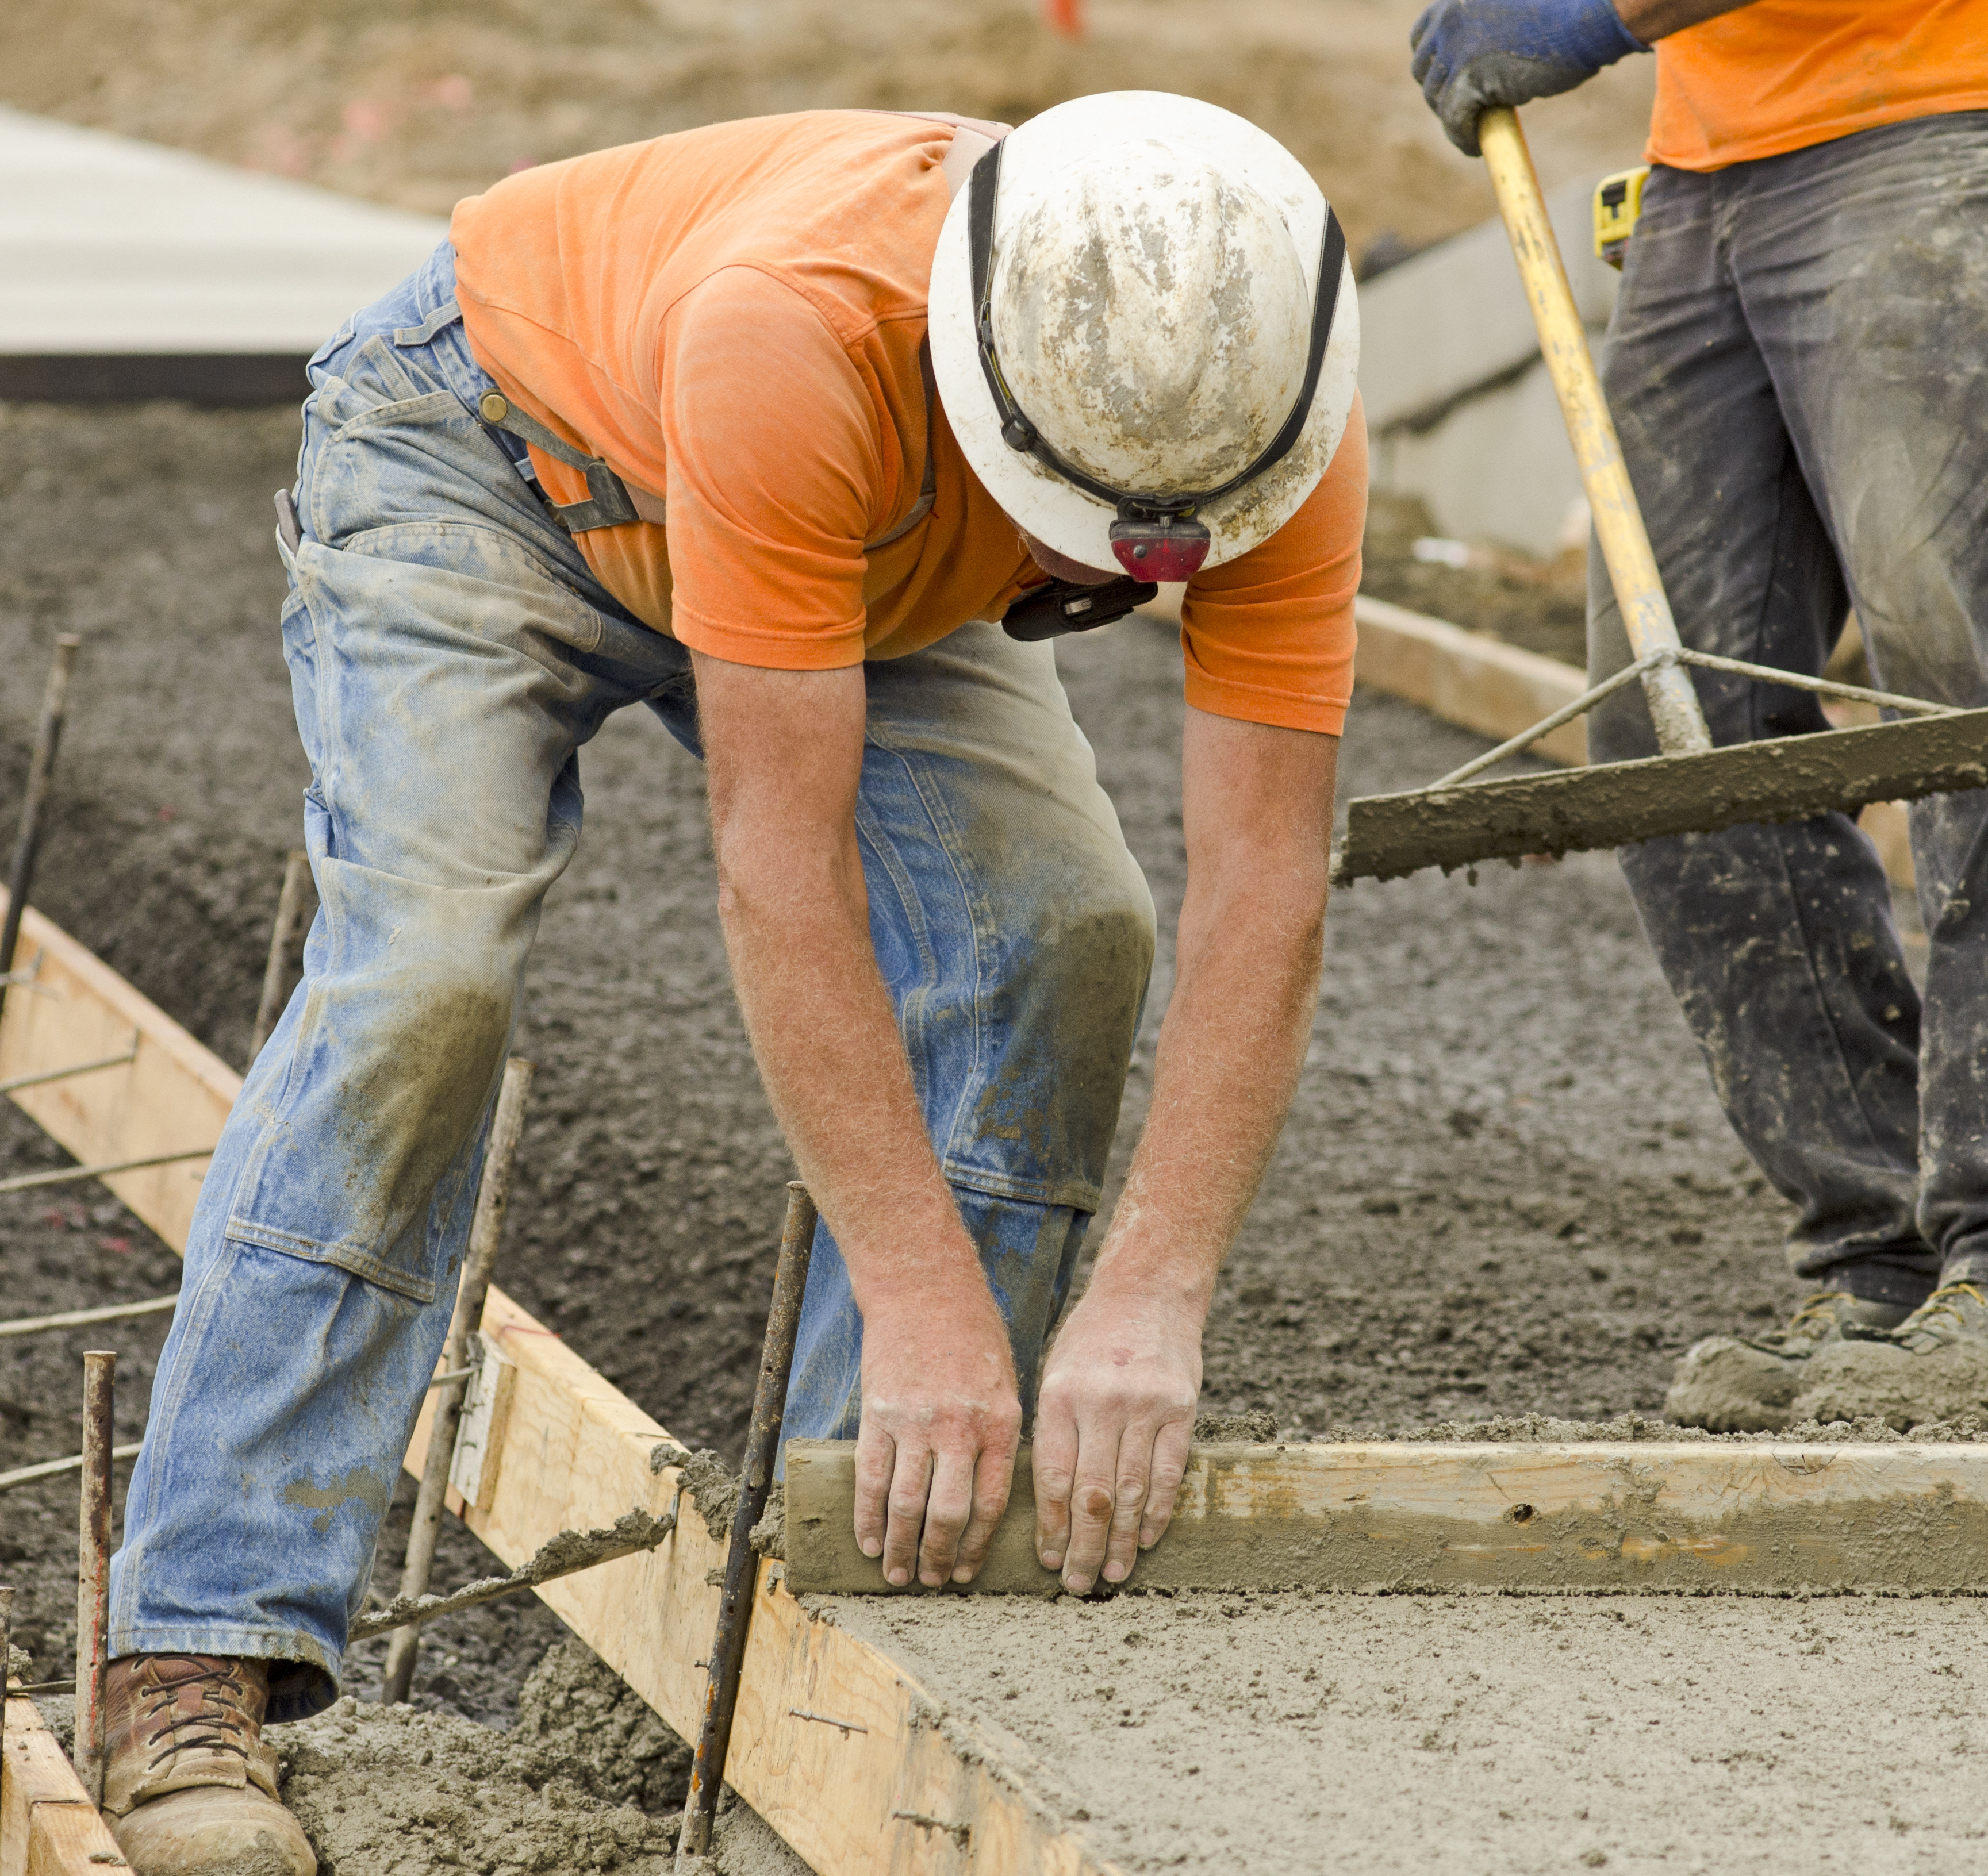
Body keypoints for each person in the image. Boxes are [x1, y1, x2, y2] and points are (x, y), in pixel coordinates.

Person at [93, 93, 1365, 1875]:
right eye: (1074, 528)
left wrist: (1154, 1294)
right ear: (994, 400)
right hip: (501, 453)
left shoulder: (1264, 403)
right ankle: (199, 1641)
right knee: (428, 973)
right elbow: (783, 863)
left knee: (1065, 931)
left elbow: (1267, 883)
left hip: (863, 550)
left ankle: (852, 1589)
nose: (1103, 581)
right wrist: (924, 1289)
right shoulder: (805, 327)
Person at [1409, 0, 1988, 1440]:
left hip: (1940, 110)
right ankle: (1883, 1257)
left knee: (1967, 682)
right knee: (1671, 716)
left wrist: (1591, 10)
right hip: (1710, 159)